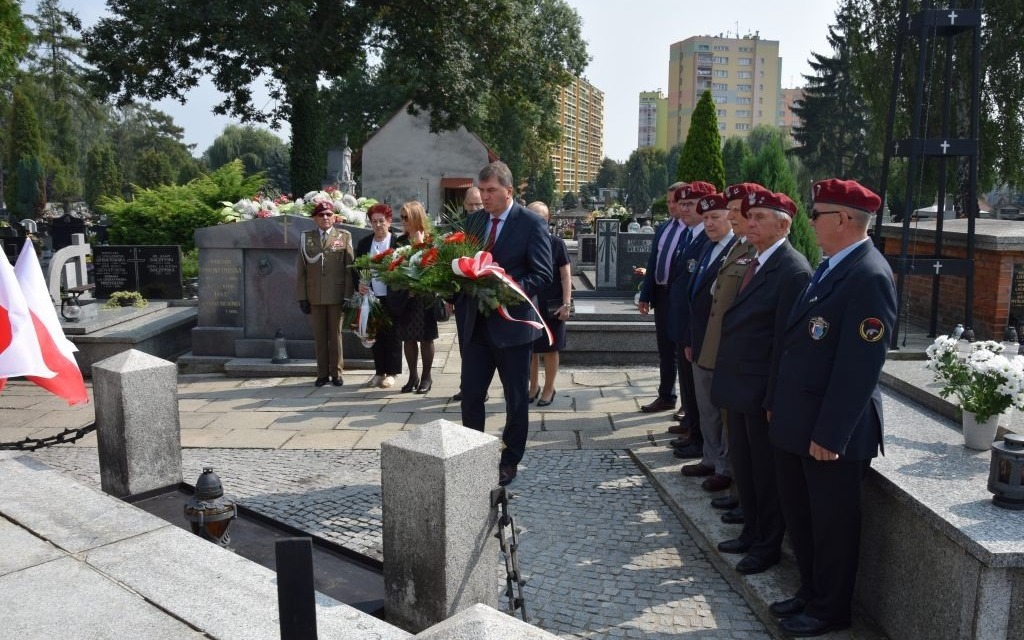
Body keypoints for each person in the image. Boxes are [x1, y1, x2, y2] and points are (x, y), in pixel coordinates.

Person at [768, 179, 896, 637]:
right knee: (802, 517)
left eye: (816, 213)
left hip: (830, 431)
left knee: (832, 526)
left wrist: (830, 433)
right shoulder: (832, 266)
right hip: (799, 420)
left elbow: (858, 368)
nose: (810, 220)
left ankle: (830, 609)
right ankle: (810, 591)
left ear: (843, 219)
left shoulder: (869, 275)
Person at [710, 190, 811, 576]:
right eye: (748, 218)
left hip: (759, 391)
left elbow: (785, 343)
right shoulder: (756, 258)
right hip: (738, 386)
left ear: (783, 225)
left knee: (765, 475)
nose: (749, 224)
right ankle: (752, 531)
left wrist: (773, 396)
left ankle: (767, 544)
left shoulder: (793, 270)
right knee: (746, 468)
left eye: (759, 219)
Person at [456, 161, 552, 486]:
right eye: (481, 191)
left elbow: (542, 274)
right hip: (476, 327)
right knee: (470, 395)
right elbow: (465, 264)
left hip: (513, 327)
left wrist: (505, 289)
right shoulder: (474, 222)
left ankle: (509, 459)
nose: (485, 197)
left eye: (491, 191)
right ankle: (473, 454)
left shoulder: (531, 223)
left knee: (515, 399)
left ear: (508, 191)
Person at [700, 183, 765, 520]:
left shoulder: (759, 253)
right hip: (724, 350)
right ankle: (738, 491)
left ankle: (744, 497)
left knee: (743, 435)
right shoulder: (739, 247)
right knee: (732, 429)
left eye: (748, 213)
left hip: (743, 359)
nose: (741, 219)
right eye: (740, 212)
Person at [679, 193, 736, 491]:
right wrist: (690, 337)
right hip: (701, 341)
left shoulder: (737, 251)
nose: (709, 222)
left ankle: (725, 467)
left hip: (722, 346)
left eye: (716, 217)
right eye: (707, 218)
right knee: (706, 408)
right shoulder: (708, 247)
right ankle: (710, 458)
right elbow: (695, 298)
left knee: (722, 409)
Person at [665, 181, 716, 459]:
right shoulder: (691, 236)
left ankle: (697, 436)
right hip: (684, 324)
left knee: (698, 390)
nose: (683, 209)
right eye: (681, 204)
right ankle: (692, 429)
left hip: (695, 327)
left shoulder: (707, 238)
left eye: (689, 204)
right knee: (688, 384)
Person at [636, 182, 687, 416]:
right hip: (662, 295)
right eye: (668, 202)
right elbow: (653, 262)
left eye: (674, 202)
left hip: (682, 299)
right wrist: (646, 295)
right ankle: (666, 395)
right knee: (665, 350)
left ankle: (688, 404)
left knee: (683, 351)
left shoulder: (693, 230)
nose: (671, 206)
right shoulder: (665, 227)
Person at [296, 200, 355, 387]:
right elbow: (301, 270)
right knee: (319, 336)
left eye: (329, 214)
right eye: (321, 215)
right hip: (315, 295)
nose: (325, 218)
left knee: (336, 335)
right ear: (315, 218)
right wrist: (302, 297)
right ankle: (322, 373)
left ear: (334, 217)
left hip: (337, 295)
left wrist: (348, 295)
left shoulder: (344, 236)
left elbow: (349, 268)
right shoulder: (307, 238)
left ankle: (336, 373)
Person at [527, 201, 572, 407]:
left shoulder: (556, 244)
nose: (539, 223)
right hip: (530, 303)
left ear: (548, 221)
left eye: (542, 219)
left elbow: (565, 276)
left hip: (553, 304)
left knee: (551, 348)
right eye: (534, 218)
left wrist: (567, 303)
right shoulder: (524, 242)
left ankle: (548, 388)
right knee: (531, 349)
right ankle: (533, 386)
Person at [354, 203, 402, 389]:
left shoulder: (397, 243)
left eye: (381, 221)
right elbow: (357, 268)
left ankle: (392, 373)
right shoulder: (365, 243)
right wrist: (359, 283)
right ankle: (379, 371)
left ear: (389, 221)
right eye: (374, 222)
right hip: (372, 297)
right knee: (374, 334)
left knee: (393, 335)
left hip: (392, 296)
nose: (378, 225)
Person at [394, 201, 438, 394]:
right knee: (408, 339)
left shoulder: (430, 240)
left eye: (406, 217)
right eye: (401, 217)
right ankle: (413, 375)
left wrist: (419, 245)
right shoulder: (399, 242)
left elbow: (434, 268)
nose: (402, 221)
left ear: (416, 218)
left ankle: (427, 376)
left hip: (424, 297)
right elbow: (392, 267)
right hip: (406, 297)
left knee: (426, 338)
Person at [451, 186, 485, 403]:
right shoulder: (458, 230)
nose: (474, 208)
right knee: (466, 344)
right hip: (464, 296)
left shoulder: (488, 227)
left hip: (486, 295)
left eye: (478, 204)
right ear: (464, 205)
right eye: (470, 204)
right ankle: (468, 386)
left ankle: (481, 386)